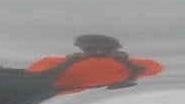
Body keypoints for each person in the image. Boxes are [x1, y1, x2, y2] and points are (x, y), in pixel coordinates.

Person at [27, 34, 164, 92]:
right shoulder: (54, 61)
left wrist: (124, 62)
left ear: (115, 49)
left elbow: (153, 75)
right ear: (81, 48)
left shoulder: (140, 63)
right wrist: (69, 63)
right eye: (91, 49)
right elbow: (38, 78)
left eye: (105, 49)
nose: (98, 52)